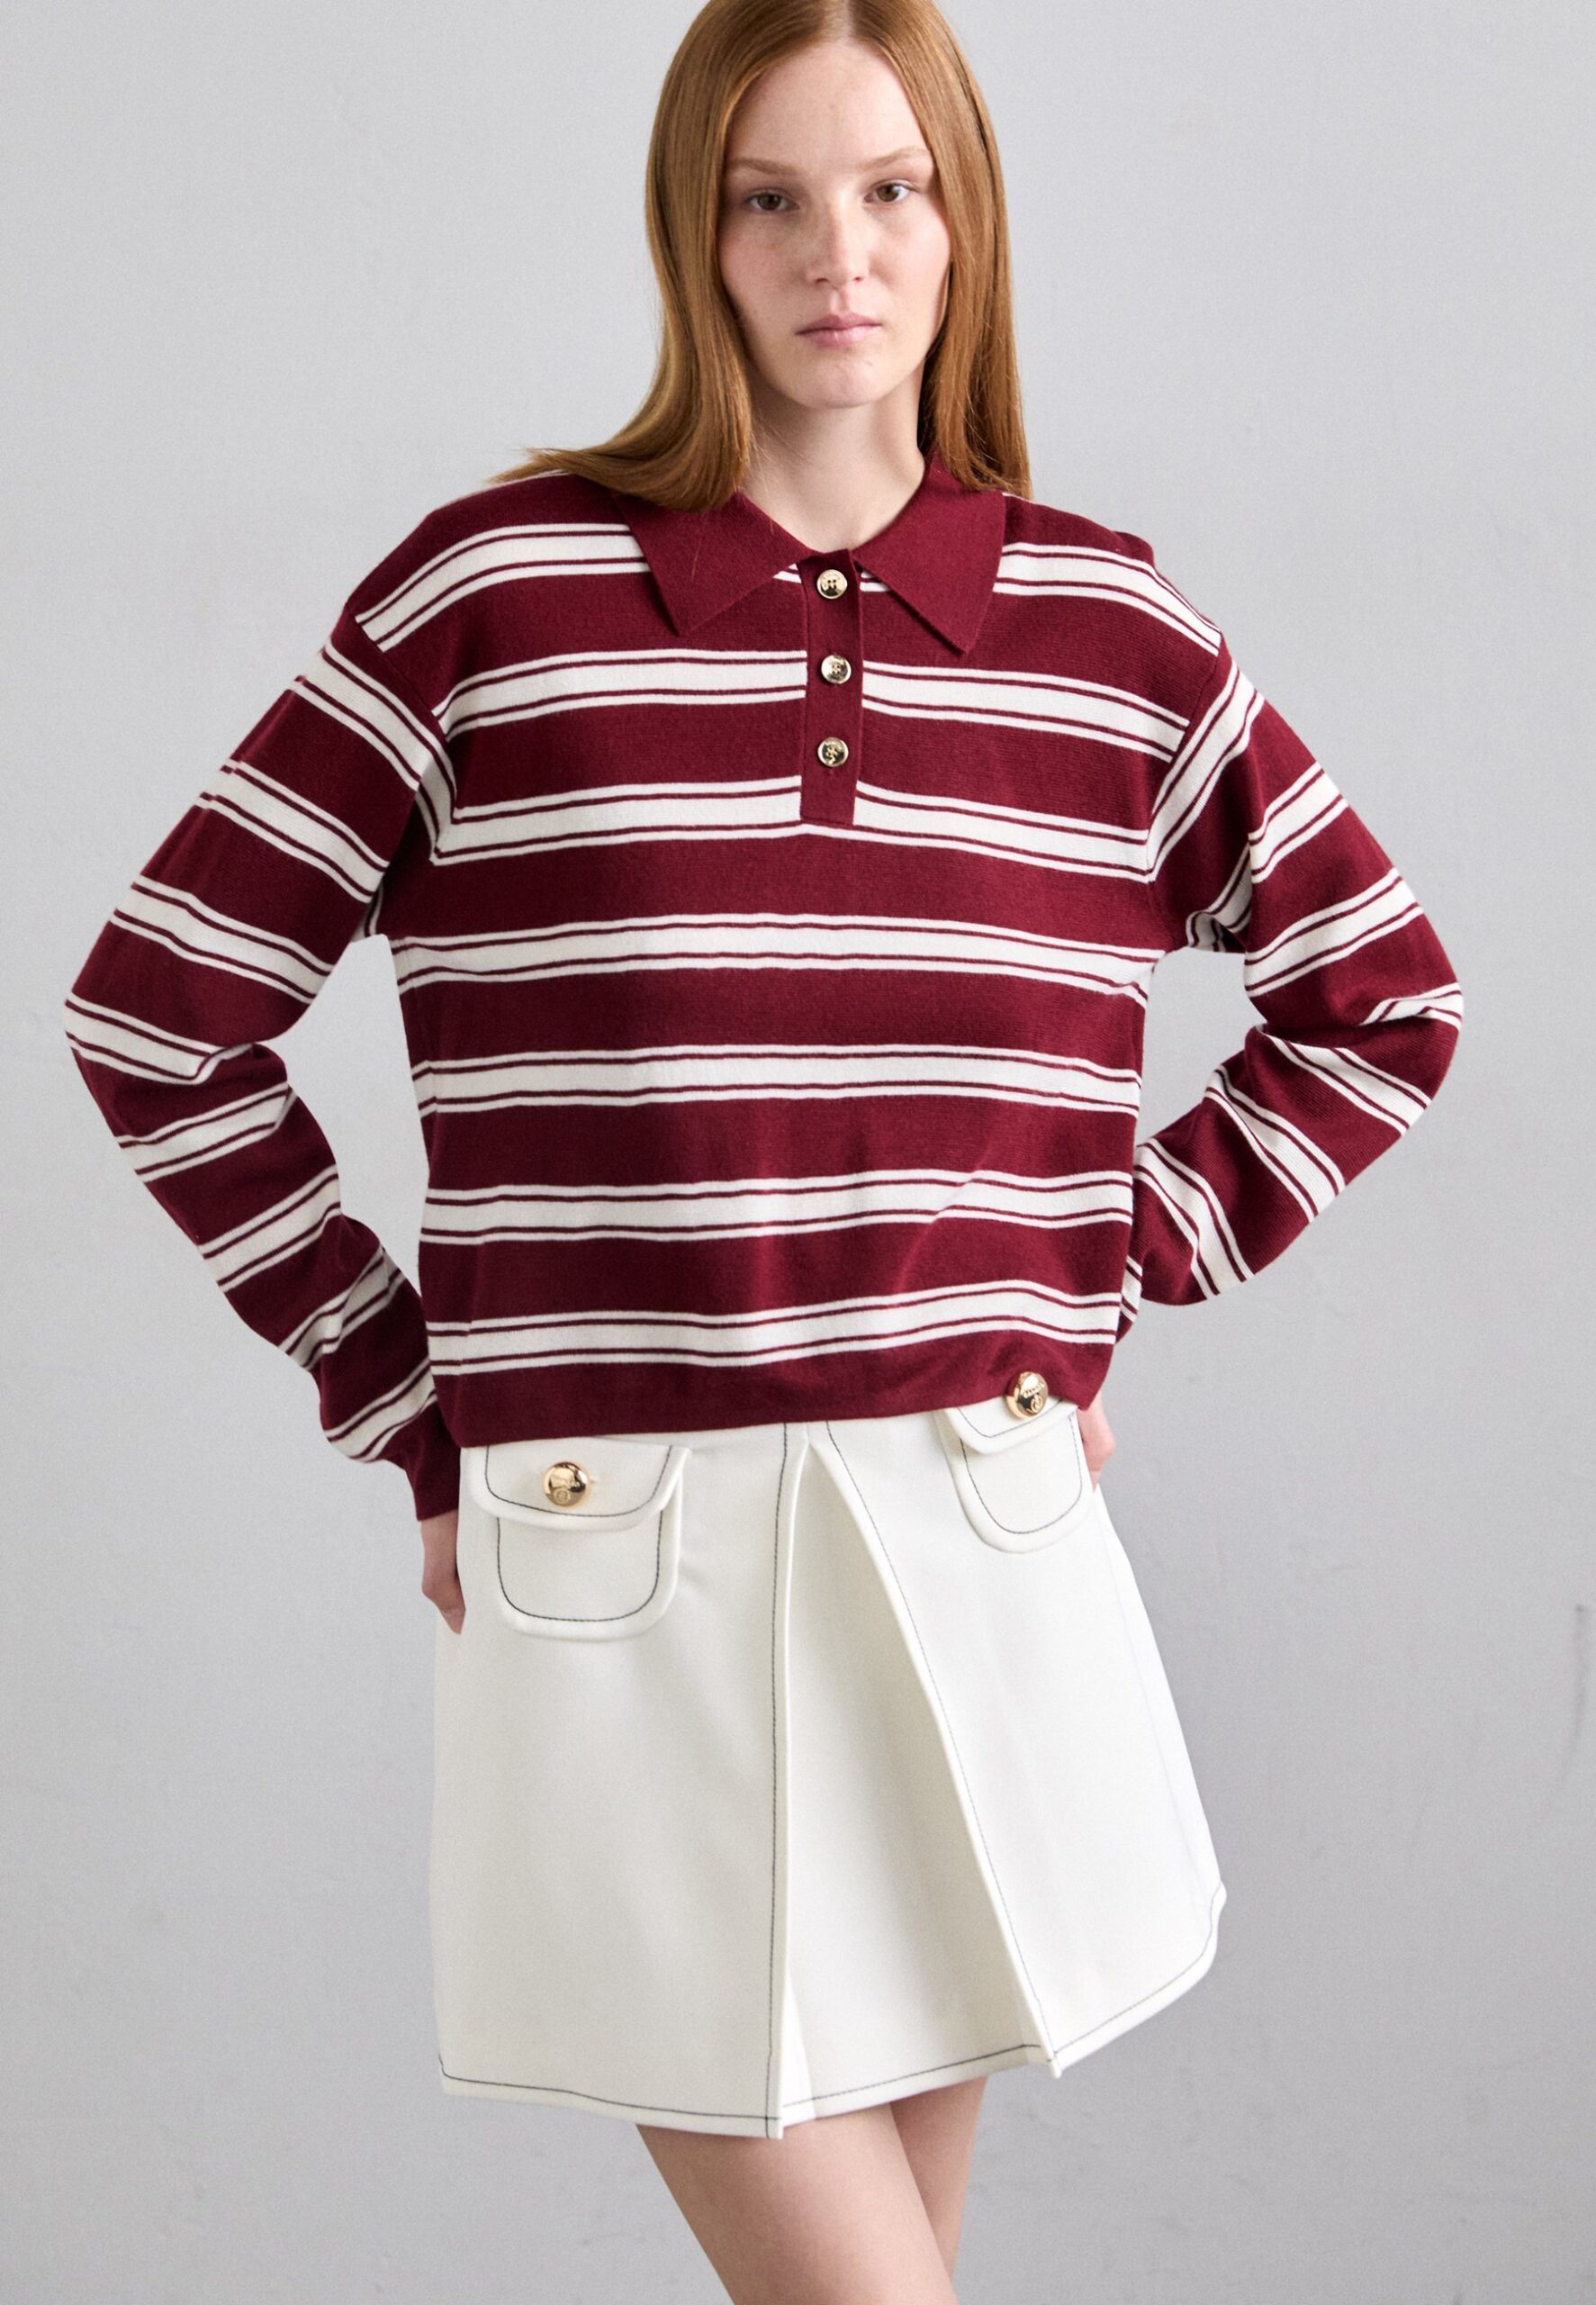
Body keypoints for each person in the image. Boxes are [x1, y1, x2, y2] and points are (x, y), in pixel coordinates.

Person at [61, 1, 1464, 2296]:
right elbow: (160, 1009)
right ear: (690, 235)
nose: (840, 252)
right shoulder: (492, 604)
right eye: (770, 197)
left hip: (977, 1538)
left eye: (893, 188)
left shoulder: (1102, 629)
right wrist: (408, 1394)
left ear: (963, 221)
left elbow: (1379, 998)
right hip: (622, 1554)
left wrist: (1091, 1264)